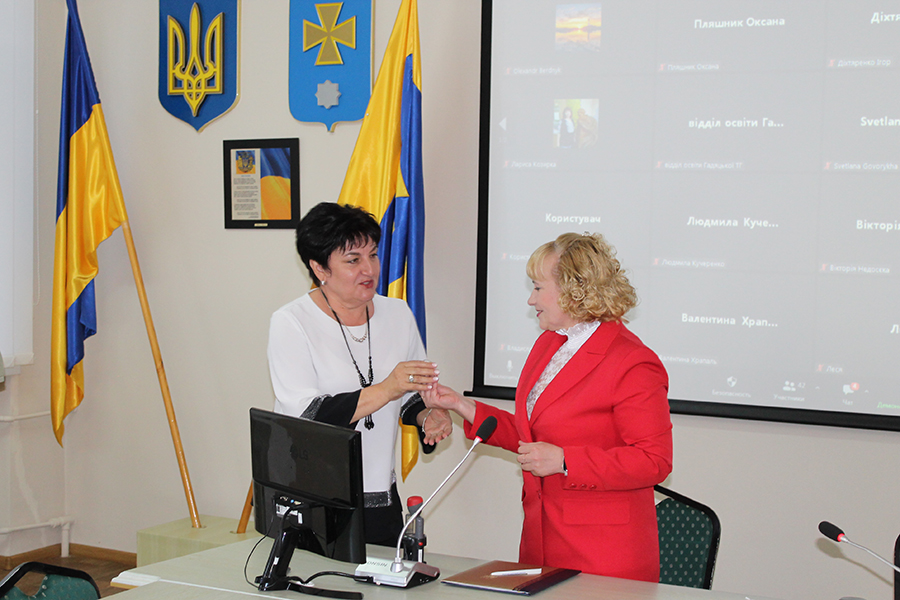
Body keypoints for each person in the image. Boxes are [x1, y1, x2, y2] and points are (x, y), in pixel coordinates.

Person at [424, 232, 672, 581]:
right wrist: (462, 406)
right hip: (542, 541)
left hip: (604, 555)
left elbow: (653, 460)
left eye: (538, 287)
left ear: (574, 288)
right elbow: (533, 438)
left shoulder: (631, 361)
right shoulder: (549, 344)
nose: (531, 299)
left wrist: (566, 461)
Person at [267, 202, 452, 546]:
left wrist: (427, 415)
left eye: (373, 255)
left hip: (379, 496)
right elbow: (307, 415)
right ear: (319, 268)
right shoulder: (292, 322)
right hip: (314, 500)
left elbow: (411, 393)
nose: (369, 269)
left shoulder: (398, 314)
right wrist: (386, 388)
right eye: (353, 260)